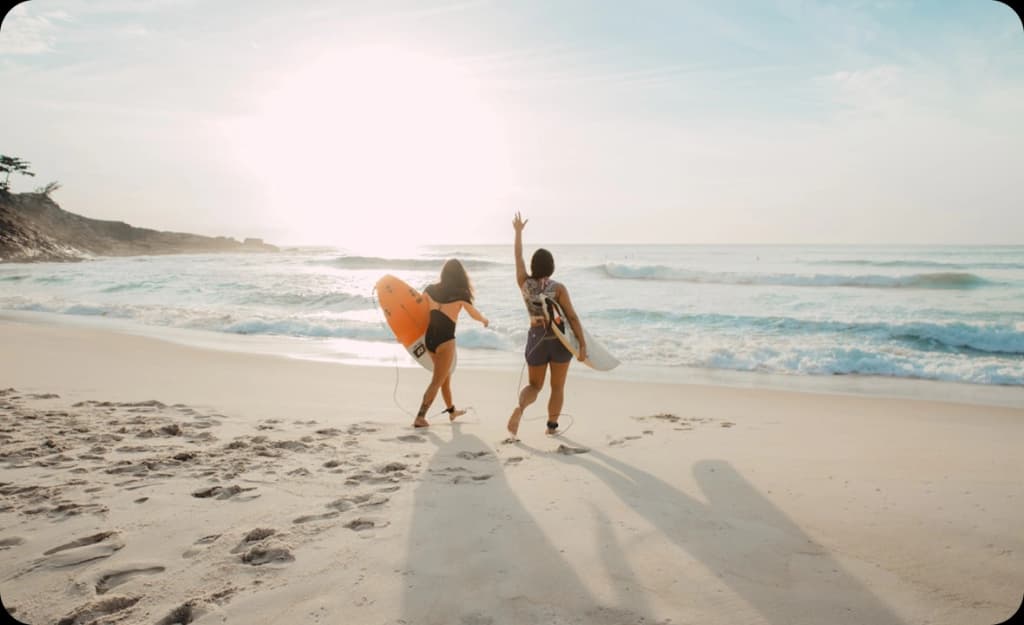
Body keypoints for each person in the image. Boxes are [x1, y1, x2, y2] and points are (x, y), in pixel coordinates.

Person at [506, 212, 587, 440]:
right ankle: (551, 426)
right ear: (552, 267)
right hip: (559, 341)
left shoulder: (524, 283)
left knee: (534, 386)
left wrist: (518, 232)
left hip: (536, 339)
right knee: (557, 387)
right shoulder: (558, 288)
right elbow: (572, 317)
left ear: (533, 266)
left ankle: (520, 409)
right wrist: (582, 345)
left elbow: (518, 256)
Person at [414, 259, 489, 428]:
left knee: (444, 379)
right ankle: (420, 417)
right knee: (436, 381)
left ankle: (452, 411)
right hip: (445, 342)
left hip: (429, 340)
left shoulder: (430, 289)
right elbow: (474, 314)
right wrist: (484, 320)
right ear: (460, 275)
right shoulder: (461, 294)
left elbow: (418, 308)